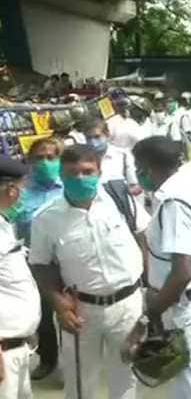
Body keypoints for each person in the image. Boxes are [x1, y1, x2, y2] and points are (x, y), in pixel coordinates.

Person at [29, 145, 149, 399]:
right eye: (73, 173)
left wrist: (150, 292)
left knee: (126, 377)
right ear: (61, 176)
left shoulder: (120, 200)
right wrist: (60, 306)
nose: (80, 178)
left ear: (99, 172)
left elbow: (143, 239)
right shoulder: (46, 219)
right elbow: (40, 265)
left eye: (87, 172)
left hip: (128, 305)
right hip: (81, 311)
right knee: (80, 384)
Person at [132, 136, 191, 399]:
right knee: (186, 381)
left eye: (139, 167)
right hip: (188, 301)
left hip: (185, 306)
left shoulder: (175, 203)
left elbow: (182, 272)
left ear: (147, 167)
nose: (137, 173)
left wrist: (151, 313)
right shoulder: (184, 190)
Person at [12, 138, 63, 381]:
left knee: (76, 311)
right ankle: (48, 358)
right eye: (39, 158)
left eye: (51, 157)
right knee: (41, 314)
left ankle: (80, 360)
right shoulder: (20, 191)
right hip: (35, 263)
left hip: (69, 262)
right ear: (30, 162)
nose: (45, 163)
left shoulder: (69, 187)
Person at [0, 157, 42, 399]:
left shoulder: (5, 224)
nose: (24, 194)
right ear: (11, 190)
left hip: (18, 346)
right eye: (23, 187)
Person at [82, 118, 140, 192]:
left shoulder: (123, 155)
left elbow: (134, 186)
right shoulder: (83, 160)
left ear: (107, 134)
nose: (92, 142)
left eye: (97, 137)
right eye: (88, 138)